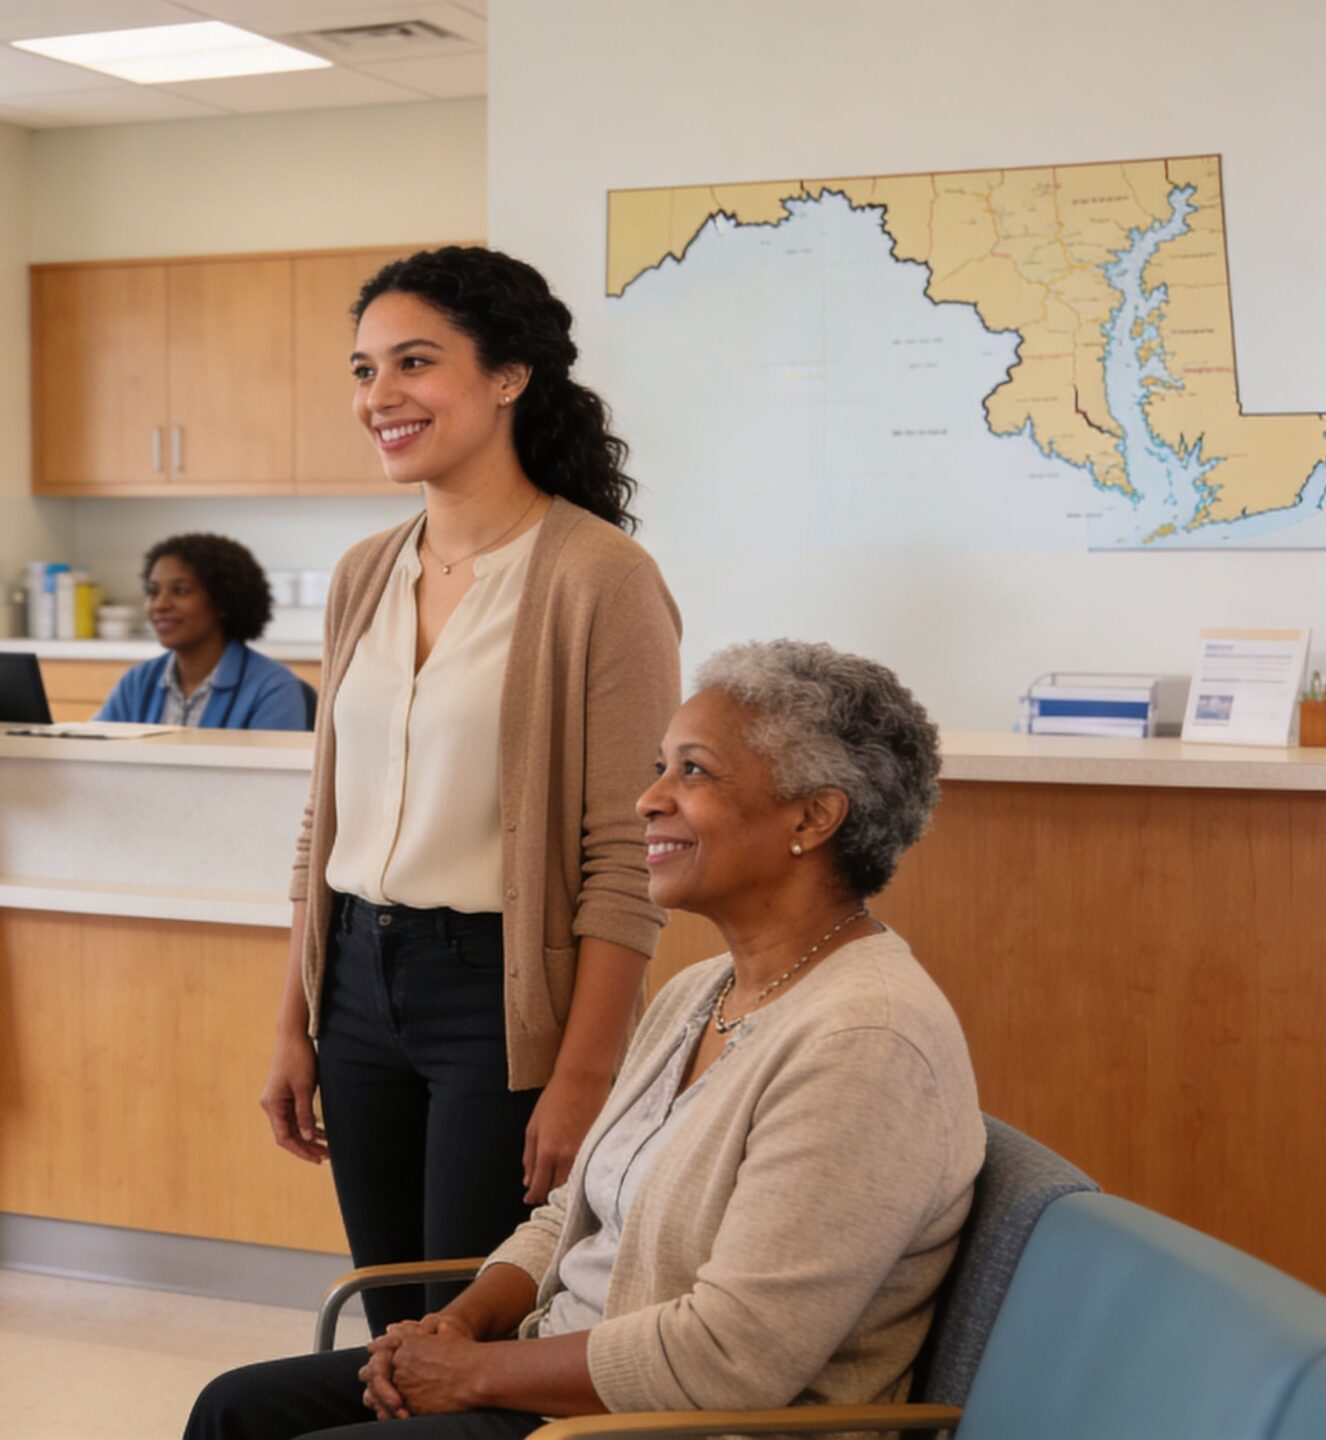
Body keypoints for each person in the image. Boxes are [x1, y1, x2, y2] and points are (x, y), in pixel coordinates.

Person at [194, 641, 983, 1438]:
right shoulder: (698, 992)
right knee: (237, 1408)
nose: (648, 799)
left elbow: (730, 1358)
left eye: (694, 771)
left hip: (673, 1424)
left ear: (813, 817)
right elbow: (571, 1215)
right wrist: (457, 1328)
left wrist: (472, 1375)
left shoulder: (865, 1041)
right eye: (660, 767)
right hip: (562, 1376)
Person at [261, 247, 683, 1335]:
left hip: (495, 999)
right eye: (363, 370)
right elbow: (327, 820)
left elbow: (625, 857)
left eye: (413, 363)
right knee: (388, 1316)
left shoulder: (599, 579)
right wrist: (293, 1023)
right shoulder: (364, 571)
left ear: (508, 376)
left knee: (469, 1329)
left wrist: (583, 1075)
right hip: (354, 980)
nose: (379, 397)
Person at [95, 532, 310, 730]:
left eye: (180, 590)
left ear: (222, 602)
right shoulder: (137, 683)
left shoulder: (273, 689)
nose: (160, 604)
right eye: (153, 592)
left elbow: (268, 771)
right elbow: (93, 755)